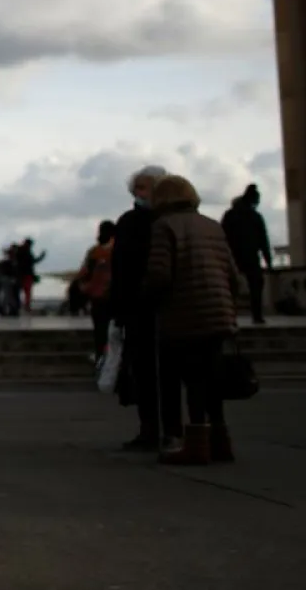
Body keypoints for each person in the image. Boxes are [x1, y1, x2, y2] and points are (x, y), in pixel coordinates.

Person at [145, 175, 240, 465]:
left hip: (183, 314)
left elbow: (160, 274)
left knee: (180, 379)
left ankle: (190, 442)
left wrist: (144, 299)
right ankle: (220, 440)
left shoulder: (165, 226)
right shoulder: (212, 226)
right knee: (211, 379)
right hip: (218, 313)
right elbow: (232, 274)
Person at [109, 164, 169, 452]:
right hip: (141, 307)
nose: (140, 193)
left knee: (160, 371)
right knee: (146, 371)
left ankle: (165, 429)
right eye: (139, 188)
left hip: (157, 305)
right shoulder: (132, 221)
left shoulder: (159, 221)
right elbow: (120, 269)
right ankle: (152, 427)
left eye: (146, 187)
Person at [221, 184, 274, 325]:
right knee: (255, 286)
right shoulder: (255, 216)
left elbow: (222, 238)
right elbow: (264, 241)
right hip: (248, 257)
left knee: (231, 288)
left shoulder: (230, 215)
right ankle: (256, 316)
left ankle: (230, 316)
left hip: (234, 257)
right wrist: (269, 262)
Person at [76, 220, 116, 361]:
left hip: (97, 296)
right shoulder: (118, 250)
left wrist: (85, 288)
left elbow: (83, 273)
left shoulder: (94, 252)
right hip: (115, 296)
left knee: (100, 329)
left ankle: (101, 356)